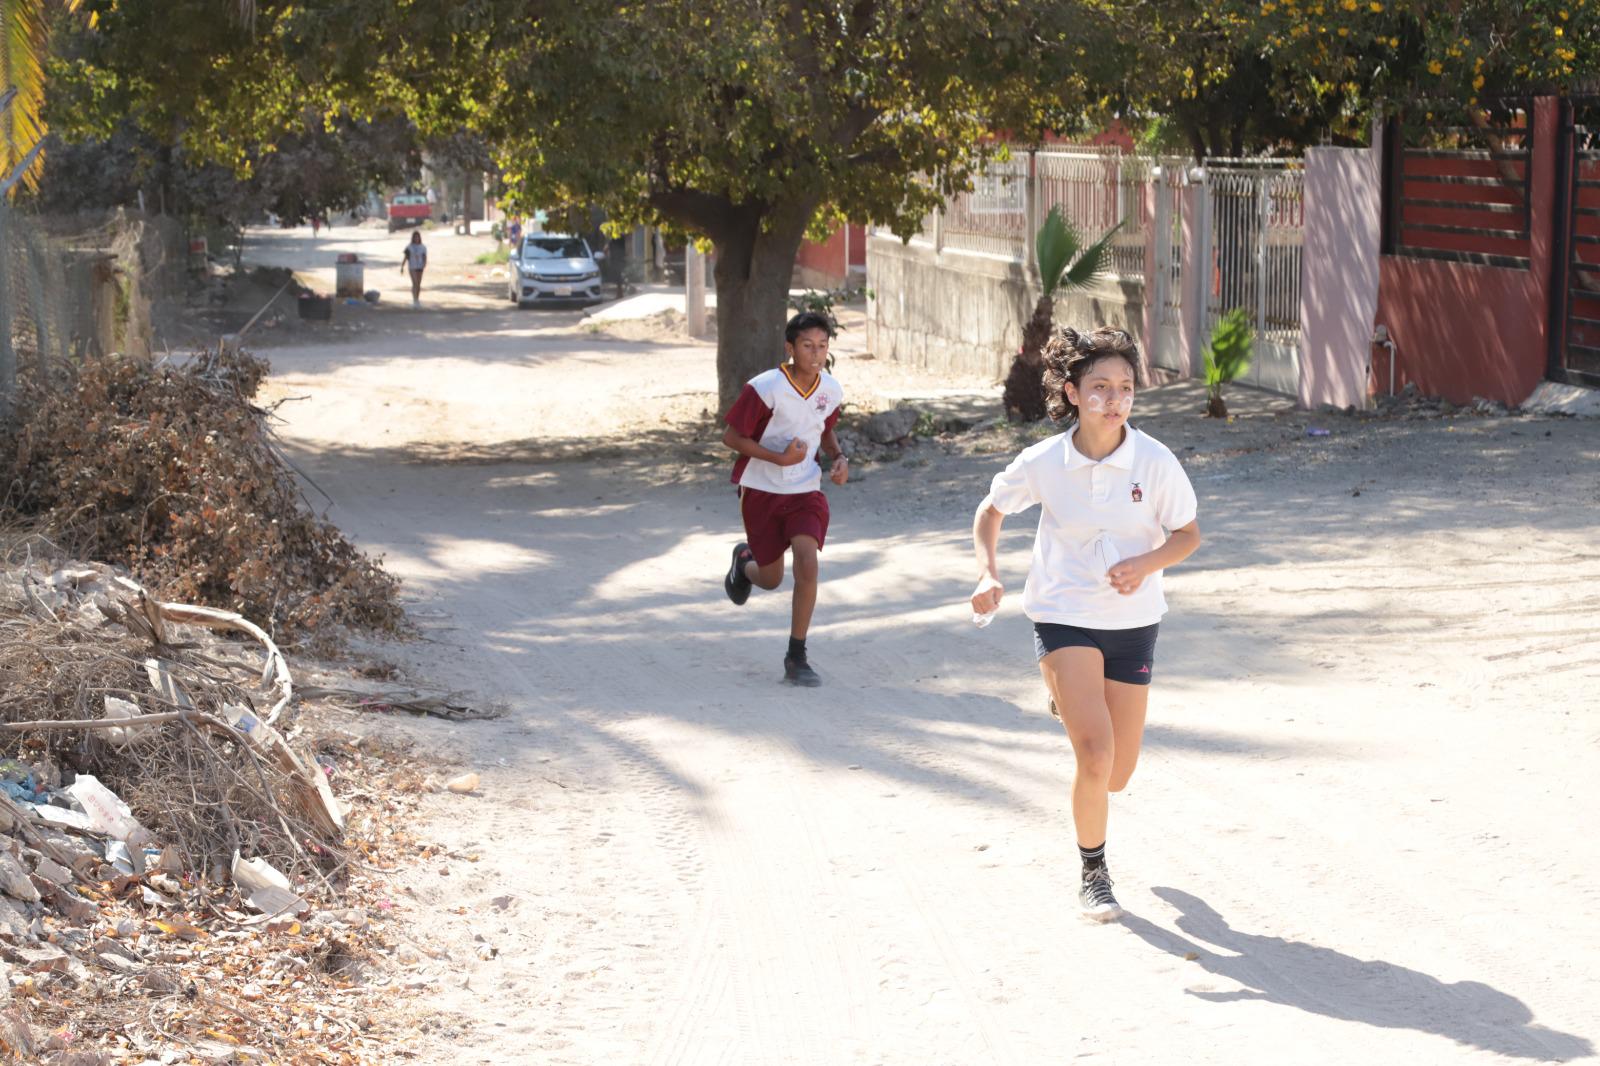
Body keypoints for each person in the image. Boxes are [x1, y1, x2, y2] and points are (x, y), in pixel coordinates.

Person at [969, 326, 1200, 922]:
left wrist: (1145, 564)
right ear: (1071, 393)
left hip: (1134, 623)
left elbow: (1188, 535)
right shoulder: (1044, 462)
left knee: (1118, 774)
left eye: (1125, 387)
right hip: (1063, 614)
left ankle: (1069, 701)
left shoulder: (1154, 460)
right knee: (1094, 757)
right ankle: (1094, 871)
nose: (1114, 399)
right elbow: (990, 512)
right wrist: (986, 574)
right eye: (1100, 387)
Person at [721, 311, 849, 686]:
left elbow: (824, 431)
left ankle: (797, 655)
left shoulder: (831, 390)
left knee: (808, 562)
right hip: (761, 489)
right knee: (772, 578)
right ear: (790, 348)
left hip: (805, 487)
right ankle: (744, 561)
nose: (815, 353)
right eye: (807, 346)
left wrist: (839, 458)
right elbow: (732, 437)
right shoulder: (766, 388)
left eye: (822, 346)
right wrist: (778, 458)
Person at [400, 231, 428, 308]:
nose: (416, 238)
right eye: (415, 237)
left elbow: (424, 256)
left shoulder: (423, 247)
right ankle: (414, 299)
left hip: (420, 266)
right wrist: (402, 266)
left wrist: (424, 264)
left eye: (417, 237)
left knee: (418, 284)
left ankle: (417, 299)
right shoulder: (409, 247)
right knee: (415, 283)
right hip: (412, 266)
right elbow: (405, 257)